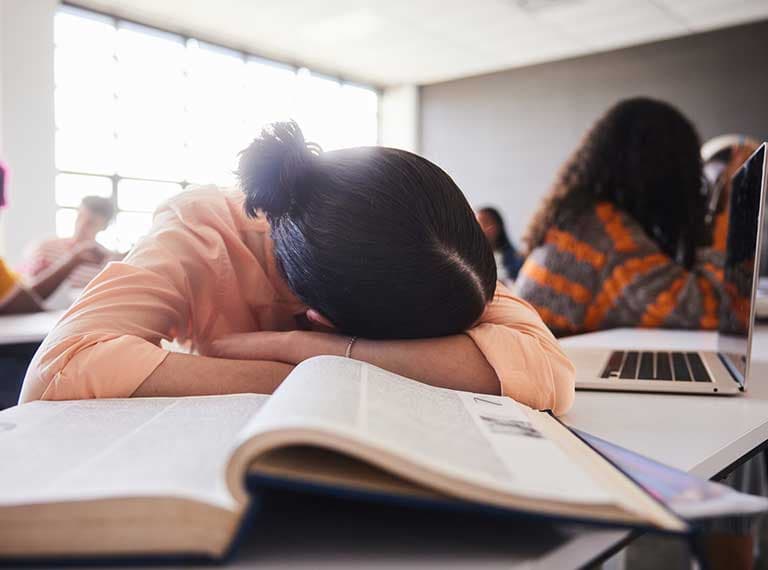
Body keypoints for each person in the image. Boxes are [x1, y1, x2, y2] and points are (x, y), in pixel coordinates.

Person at [20, 121, 575, 415]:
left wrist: (303, 350)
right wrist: (328, 372)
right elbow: (59, 370)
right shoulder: (200, 228)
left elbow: (548, 371)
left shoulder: (421, 241)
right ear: (322, 315)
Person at [516, 97, 721, 337]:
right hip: (547, 359)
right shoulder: (606, 236)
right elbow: (712, 310)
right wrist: (723, 205)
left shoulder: (582, 219)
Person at [22, 195, 117, 304]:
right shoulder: (45, 247)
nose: (81, 226)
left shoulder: (107, 263)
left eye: (90, 223)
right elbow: (27, 290)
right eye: (80, 216)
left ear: (104, 226)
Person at [476, 207, 524, 282]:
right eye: (478, 224)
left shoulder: (516, 258)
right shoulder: (468, 260)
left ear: (498, 225)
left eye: (486, 223)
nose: (482, 228)